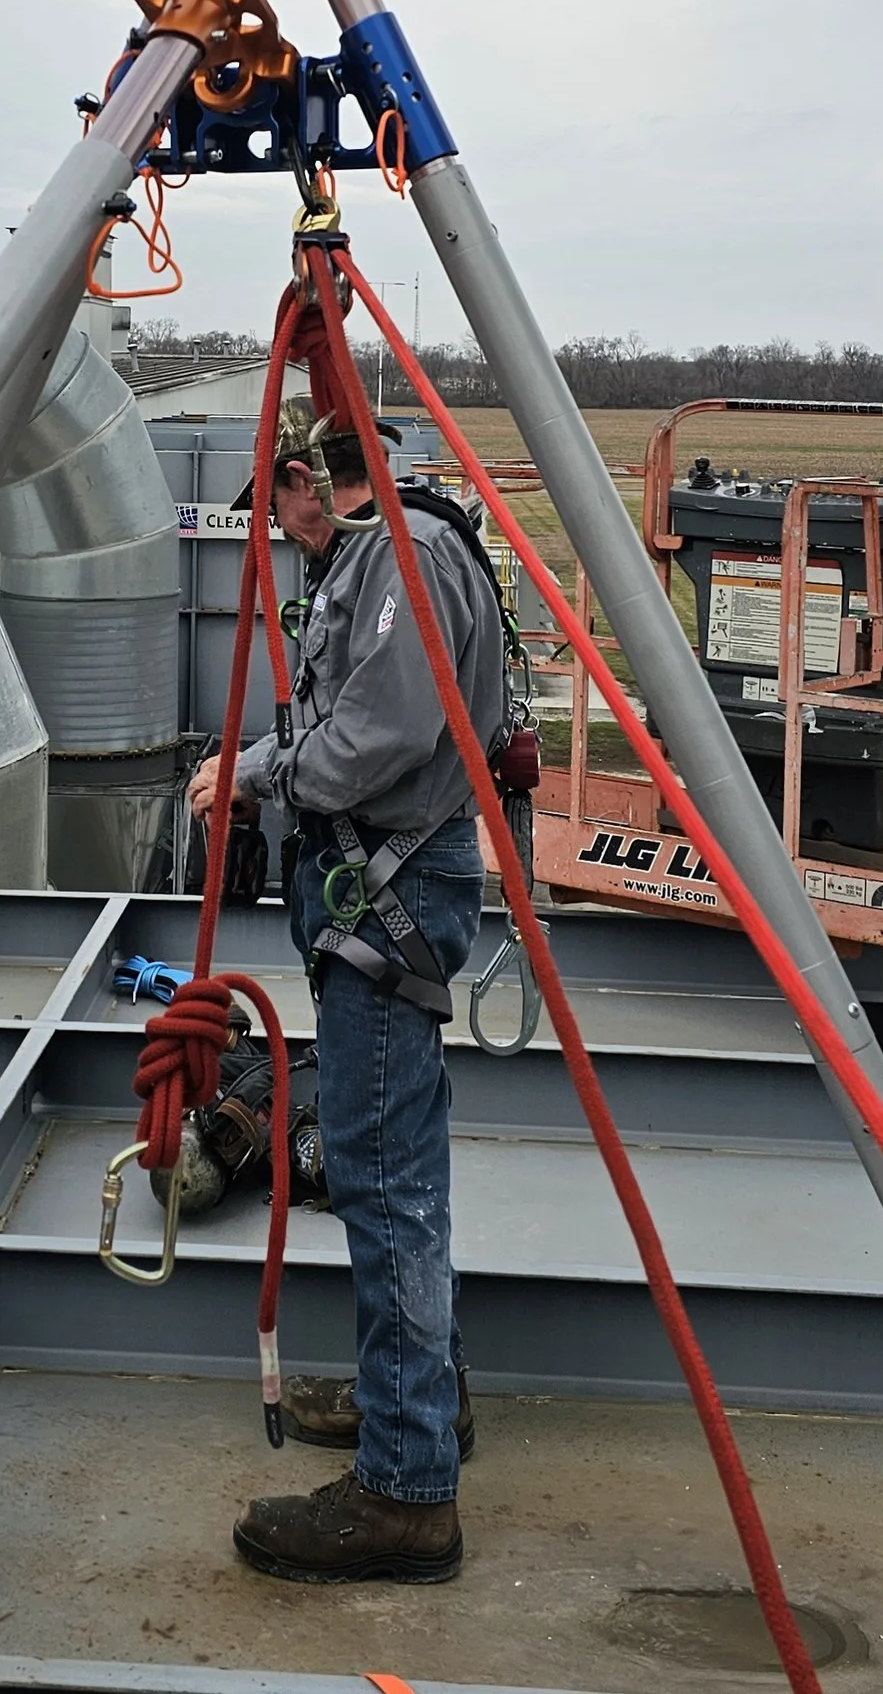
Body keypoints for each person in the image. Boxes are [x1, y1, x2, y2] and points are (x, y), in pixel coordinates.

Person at [188, 399, 505, 1585]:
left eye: (277, 507)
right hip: (382, 895)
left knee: (381, 1179)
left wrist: (250, 773)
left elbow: (373, 736)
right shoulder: (378, 558)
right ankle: (418, 1400)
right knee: (395, 1165)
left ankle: (407, 1487)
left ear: (313, 481)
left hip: (392, 898)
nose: (278, 532)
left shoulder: (405, 559)